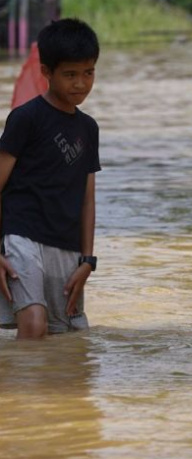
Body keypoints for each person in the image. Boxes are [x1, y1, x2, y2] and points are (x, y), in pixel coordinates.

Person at [0, 18, 101, 340]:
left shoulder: (89, 128)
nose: (81, 84)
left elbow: (87, 198)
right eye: (70, 75)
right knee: (33, 324)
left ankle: (49, 390)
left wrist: (87, 260)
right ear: (46, 72)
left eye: (88, 73)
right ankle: (27, 393)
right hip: (22, 235)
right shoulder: (25, 118)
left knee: (64, 338)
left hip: (66, 245)